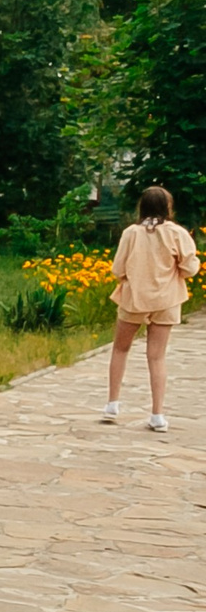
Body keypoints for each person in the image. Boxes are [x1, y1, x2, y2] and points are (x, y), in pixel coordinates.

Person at [105, 184, 197, 432]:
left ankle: (113, 403)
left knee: (120, 349)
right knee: (157, 356)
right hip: (167, 300)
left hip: (134, 298)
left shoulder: (131, 233)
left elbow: (118, 269)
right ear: (168, 207)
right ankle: (157, 414)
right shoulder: (178, 233)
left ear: (142, 206)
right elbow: (190, 268)